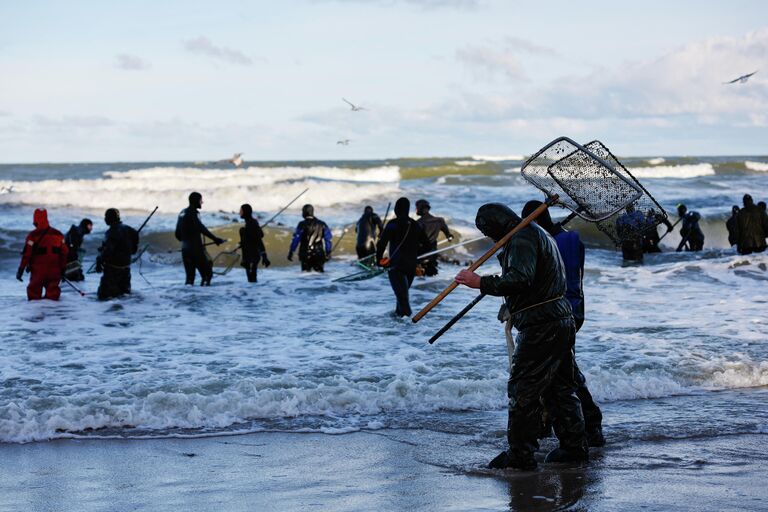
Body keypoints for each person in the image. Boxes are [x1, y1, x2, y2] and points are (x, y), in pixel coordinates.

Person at [455, 203, 588, 470]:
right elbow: (534, 281)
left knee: (523, 389)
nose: (489, 237)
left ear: (496, 225)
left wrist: (479, 282)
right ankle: (574, 447)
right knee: (560, 387)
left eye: (486, 231)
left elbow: (521, 279)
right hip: (559, 319)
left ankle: (520, 455)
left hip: (542, 325)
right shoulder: (537, 233)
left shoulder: (522, 236)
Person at [521, 200, 604, 448]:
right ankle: (568, 425)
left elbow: (534, 280)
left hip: (556, 314)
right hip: (575, 310)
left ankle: (589, 425)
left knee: (563, 373)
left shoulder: (545, 244)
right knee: (559, 370)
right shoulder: (572, 239)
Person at [376, 197, 430, 317]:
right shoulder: (415, 225)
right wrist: (415, 254)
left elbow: (381, 245)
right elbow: (427, 246)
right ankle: (399, 327)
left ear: (396, 209)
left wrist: (378, 260)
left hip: (396, 266)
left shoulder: (392, 225)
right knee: (401, 297)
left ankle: (410, 326)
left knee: (403, 299)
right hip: (410, 266)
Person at [16, 208, 69, 301]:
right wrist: (63, 268)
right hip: (54, 271)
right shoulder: (58, 234)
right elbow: (64, 252)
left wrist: (21, 270)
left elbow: (27, 254)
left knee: (34, 298)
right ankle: (55, 314)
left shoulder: (32, 235)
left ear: (35, 219)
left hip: (38, 271)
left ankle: (37, 315)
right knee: (53, 298)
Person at [176, 192, 225, 286]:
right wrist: (215, 239)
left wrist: (186, 241)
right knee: (207, 275)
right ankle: (204, 298)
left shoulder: (182, 212)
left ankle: (188, 297)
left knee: (189, 279)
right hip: (196, 249)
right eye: (200, 200)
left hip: (185, 249)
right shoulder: (193, 212)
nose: (202, 202)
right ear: (195, 201)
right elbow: (200, 227)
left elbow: (177, 234)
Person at [95, 208, 138, 300]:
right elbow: (134, 250)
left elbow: (108, 252)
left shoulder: (111, 232)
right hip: (126, 268)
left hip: (112, 270)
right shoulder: (131, 230)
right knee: (124, 296)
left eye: (106, 217)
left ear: (110, 218)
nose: (105, 219)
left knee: (103, 297)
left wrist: (99, 261)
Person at [288, 204, 332, 272]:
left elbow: (296, 239)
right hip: (319, 254)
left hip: (305, 254)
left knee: (306, 275)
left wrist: (291, 251)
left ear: (305, 212)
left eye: (302, 211)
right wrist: (328, 252)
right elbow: (328, 239)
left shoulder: (301, 224)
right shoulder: (322, 224)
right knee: (319, 275)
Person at [415, 199, 453, 276]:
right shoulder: (439, 221)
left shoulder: (418, 223)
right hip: (433, 253)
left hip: (420, 255)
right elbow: (449, 236)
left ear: (420, 208)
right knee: (432, 275)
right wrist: (449, 237)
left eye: (416, 207)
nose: (416, 210)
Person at [239, 203, 270, 283]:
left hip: (252, 256)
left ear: (245, 212)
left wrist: (264, 256)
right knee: (251, 280)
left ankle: (254, 294)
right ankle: (253, 294)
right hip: (249, 256)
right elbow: (260, 235)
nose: (239, 212)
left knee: (252, 279)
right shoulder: (251, 223)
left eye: (241, 211)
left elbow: (259, 240)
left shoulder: (251, 224)